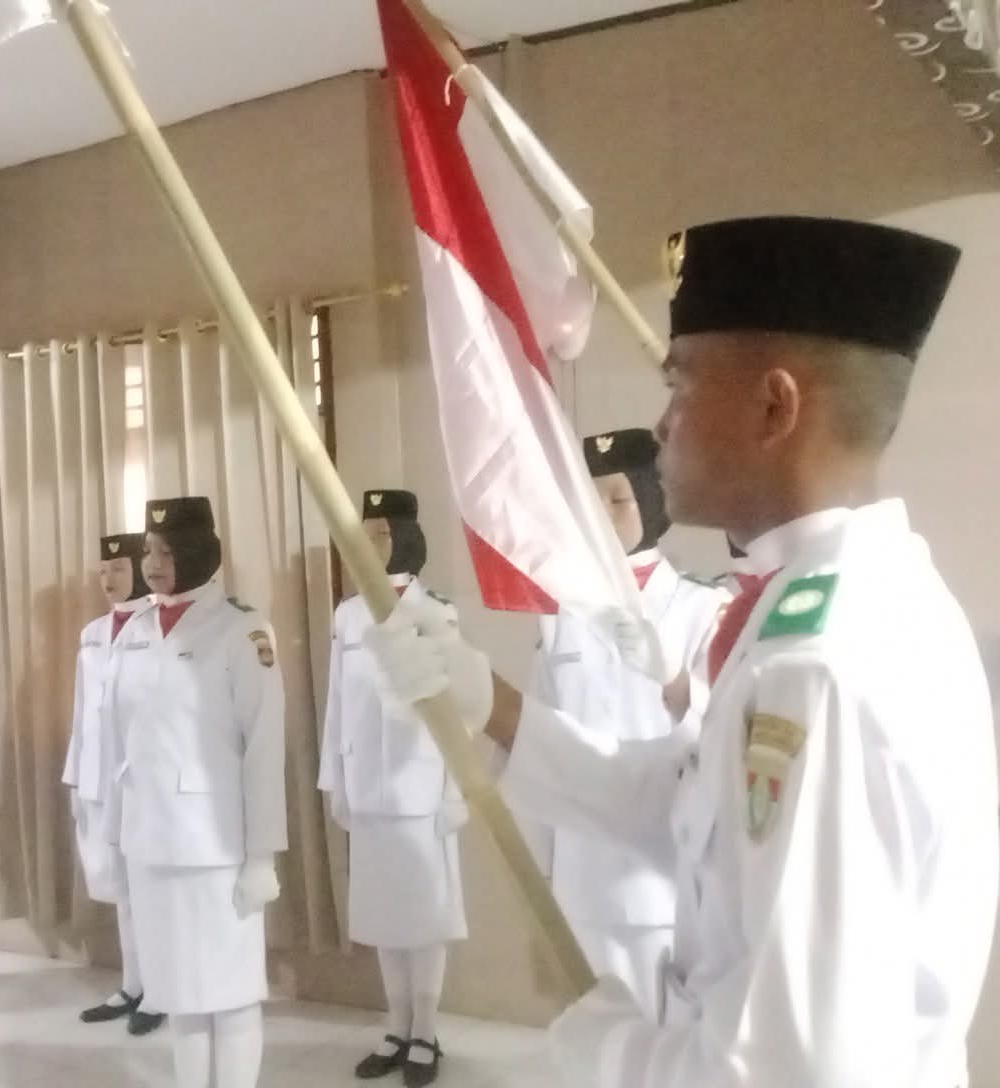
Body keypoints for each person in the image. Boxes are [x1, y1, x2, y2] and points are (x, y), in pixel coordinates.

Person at [366, 216, 998, 1085]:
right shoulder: (820, 607)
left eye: (681, 384)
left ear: (775, 406)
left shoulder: (822, 664)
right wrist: (490, 703)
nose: (662, 426)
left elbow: (790, 1069)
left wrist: (607, 1045)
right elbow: (687, 806)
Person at [518, 430, 728, 1015]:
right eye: (591, 502)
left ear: (652, 500)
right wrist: (540, 862)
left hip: (662, 877)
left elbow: (723, 732)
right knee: (590, 1035)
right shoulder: (562, 615)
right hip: (581, 871)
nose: (603, 516)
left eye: (618, 499)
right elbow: (538, 739)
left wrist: (678, 683)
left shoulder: (701, 608)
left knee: (663, 1039)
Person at [107, 497, 286, 1088]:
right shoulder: (134, 630)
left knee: (230, 993)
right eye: (148, 551)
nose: (153, 563)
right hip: (151, 843)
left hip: (216, 849)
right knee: (177, 991)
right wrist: (114, 832)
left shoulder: (240, 628)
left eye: (166, 552)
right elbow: (117, 742)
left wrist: (262, 855)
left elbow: (264, 746)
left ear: (197, 553)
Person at [318, 490, 466, 1087]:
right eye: (365, 534)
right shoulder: (348, 615)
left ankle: (426, 1030)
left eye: (382, 533)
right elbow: (336, 701)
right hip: (367, 788)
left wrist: (456, 790)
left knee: (425, 920)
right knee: (383, 918)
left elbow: (456, 709)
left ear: (406, 537)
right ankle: (395, 1026)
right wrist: (334, 777)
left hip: (421, 789)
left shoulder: (437, 612)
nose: (372, 545)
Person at [62, 532, 164, 1034]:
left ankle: (160, 990)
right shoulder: (92, 633)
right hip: (99, 776)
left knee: (150, 889)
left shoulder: (160, 626)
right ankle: (133, 984)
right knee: (122, 889)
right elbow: (82, 710)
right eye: (102, 570)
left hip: (143, 779)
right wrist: (75, 777)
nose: (108, 579)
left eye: (119, 568)